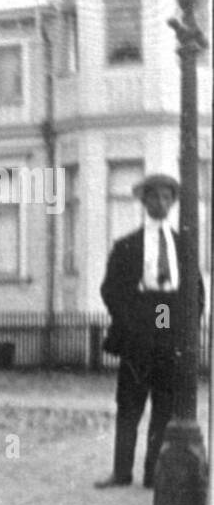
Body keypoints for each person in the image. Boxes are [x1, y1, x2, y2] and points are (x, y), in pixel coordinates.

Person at [97, 173, 204, 489]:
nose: (161, 203)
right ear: (143, 202)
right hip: (139, 323)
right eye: (154, 197)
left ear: (173, 203)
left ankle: (152, 473)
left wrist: (185, 330)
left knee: (164, 405)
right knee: (129, 403)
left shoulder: (183, 245)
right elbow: (110, 290)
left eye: (167, 197)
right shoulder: (127, 245)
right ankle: (121, 472)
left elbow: (195, 292)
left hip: (166, 317)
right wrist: (131, 324)